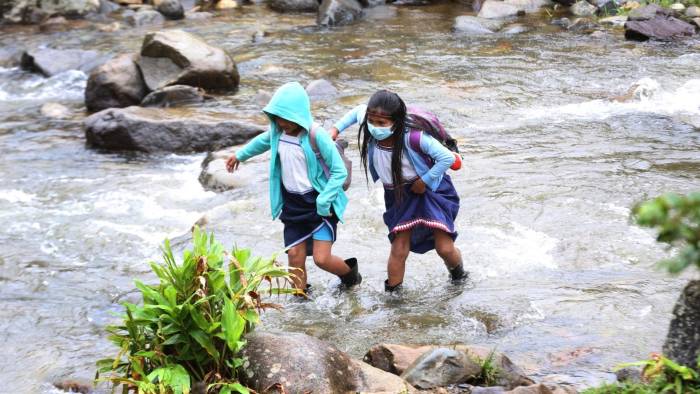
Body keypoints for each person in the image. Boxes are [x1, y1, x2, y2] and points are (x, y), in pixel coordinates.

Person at [226, 82, 361, 295]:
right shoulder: (277, 132)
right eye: (277, 118)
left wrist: (324, 199)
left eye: (286, 119)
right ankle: (301, 299)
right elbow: (261, 142)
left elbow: (339, 171)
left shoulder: (316, 135)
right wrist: (240, 155)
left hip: (319, 203)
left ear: (298, 115)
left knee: (321, 259)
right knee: (294, 256)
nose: (281, 123)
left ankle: (351, 278)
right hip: (293, 205)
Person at [332, 90, 466, 292]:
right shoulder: (370, 123)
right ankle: (394, 295)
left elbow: (447, 158)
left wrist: (426, 180)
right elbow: (356, 112)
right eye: (372, 121)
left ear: (397, 121)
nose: (375, 127)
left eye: (382, 124)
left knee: (444, 248)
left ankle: (459, 278)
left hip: (430, 193)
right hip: (398, 196)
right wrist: (335, 130)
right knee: (398, 248)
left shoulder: (414, 138)